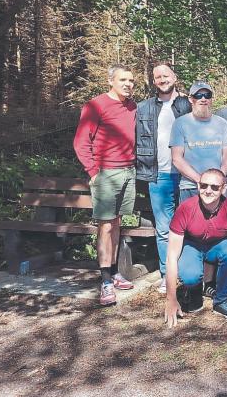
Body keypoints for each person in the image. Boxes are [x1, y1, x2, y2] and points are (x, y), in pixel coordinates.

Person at [73, 64, 138, 306]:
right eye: (123, 79)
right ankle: (105, 281)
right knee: (105, 227)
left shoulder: (132, 106)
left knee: (117, 223)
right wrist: (93, 172)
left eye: (131, 80)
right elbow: (81, 142)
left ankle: (115, 272)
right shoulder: (96, 105)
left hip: (129, 171)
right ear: (111, 81)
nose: (128, 84)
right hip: (106, 173)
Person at [163, 169, 227, 326]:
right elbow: (171, 256)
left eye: (214, 187)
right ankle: (194, 290)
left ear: (223, 188)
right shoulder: (185, 209)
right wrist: (171, 299)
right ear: (198, 186)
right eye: (204, 185)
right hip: (192, 246)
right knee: (189, 276)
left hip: (218, 246)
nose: (208, 190)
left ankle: (221, 300)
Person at [135, 62, 192, 294]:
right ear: (153, 81)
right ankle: (166, 274)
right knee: (164, 228)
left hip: (187, 173)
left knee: (191, 224)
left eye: (165, 75)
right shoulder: (144, 108)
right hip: (158, 174)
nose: (162, 79)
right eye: (157, 76)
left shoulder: (188, 103)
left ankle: (190, 272)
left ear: (174, 77)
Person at [170, 81, 227, 202]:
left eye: (207, 95)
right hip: (190, 187)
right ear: (190, 99)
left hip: (217, 188)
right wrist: (201, 181)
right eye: (198, 96)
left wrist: (216, 181)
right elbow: (177, 159)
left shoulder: (222, 123)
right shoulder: (180, 123)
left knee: (220, 221)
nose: (203, 99)